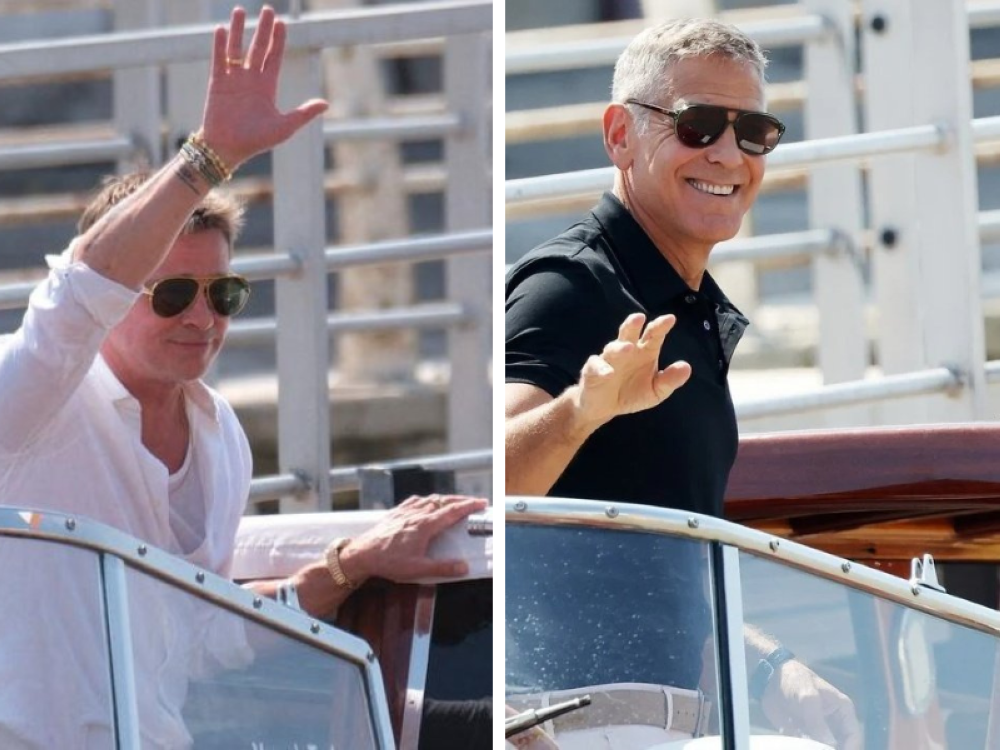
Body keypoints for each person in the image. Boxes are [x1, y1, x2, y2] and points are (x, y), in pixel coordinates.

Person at [0, 6, 484, 748]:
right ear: (121, 293)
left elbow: (199, 637)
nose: (202, 317)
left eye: (222, 294)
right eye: (169, 293)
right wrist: (207, 159)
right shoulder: (36, 397)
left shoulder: (220, 435)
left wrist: (354, 562)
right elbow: (74, 296)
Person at [505, 18, 860, 750]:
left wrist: (771, 668)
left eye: (753, 131)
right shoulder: (571, 287)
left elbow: (665, 571)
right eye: (697, 125)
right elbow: (493, 486)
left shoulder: (680, 303)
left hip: (666, 720)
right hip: (576, 722)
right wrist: (580, 412)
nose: (728, 154)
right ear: (619, 136)